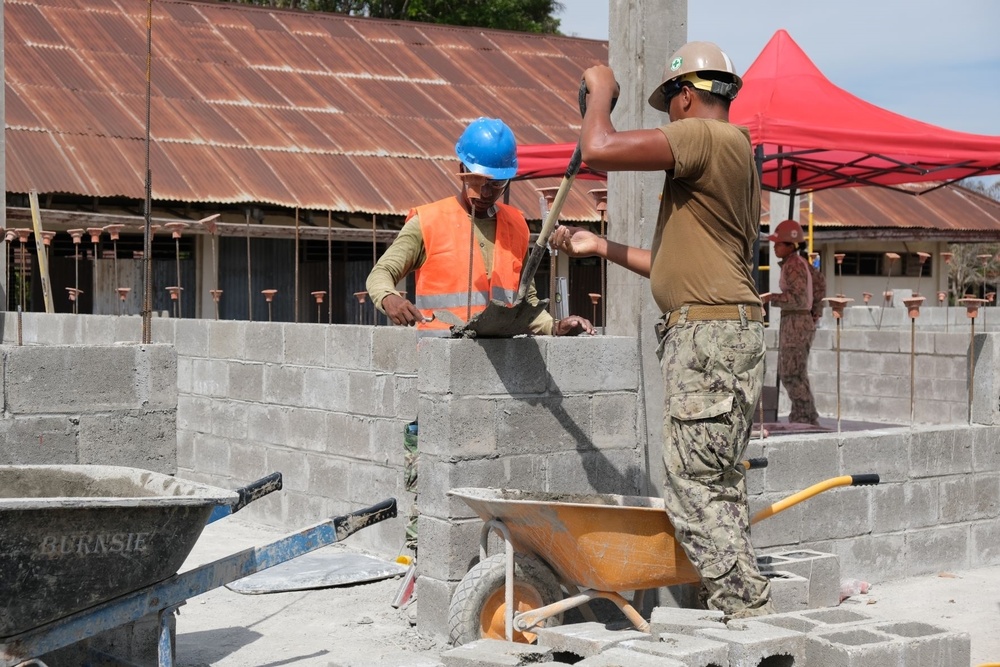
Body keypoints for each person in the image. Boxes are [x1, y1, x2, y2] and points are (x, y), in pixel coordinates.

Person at [549, 43, 774, 619]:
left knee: (693, 490)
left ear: (688, 97)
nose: (669, 119)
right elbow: (673, 264)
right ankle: (739, 603)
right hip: (725, 328)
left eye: (669, 104)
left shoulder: (704, 136)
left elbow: (597, 146)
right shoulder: (734, 155)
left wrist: (601, 89)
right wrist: (600, 245)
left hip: (708, 337)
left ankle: (747, 614)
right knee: (717, 484)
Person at [366, 116, 594, 338]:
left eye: (496, 184)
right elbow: (381, 273)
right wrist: (389, 298)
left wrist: (554, 326)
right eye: (479, 181)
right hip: (441, 360)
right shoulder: (428, 222)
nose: (486, 193)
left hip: (500, 363)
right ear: (462, 170)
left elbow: (526, 300)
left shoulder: (516, 226)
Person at [761, 219, 820, 426]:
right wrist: (814, 314)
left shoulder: (793, 265)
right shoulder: (799, 263)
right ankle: (806, 416)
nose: (775, 247)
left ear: (790, 244)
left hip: (796, 321)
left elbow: (798, 299)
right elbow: (819, 284)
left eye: (778, 243)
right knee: (797, 372)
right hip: (799, 321)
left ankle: (804, 417)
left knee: (791, 373)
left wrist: (770, 298)